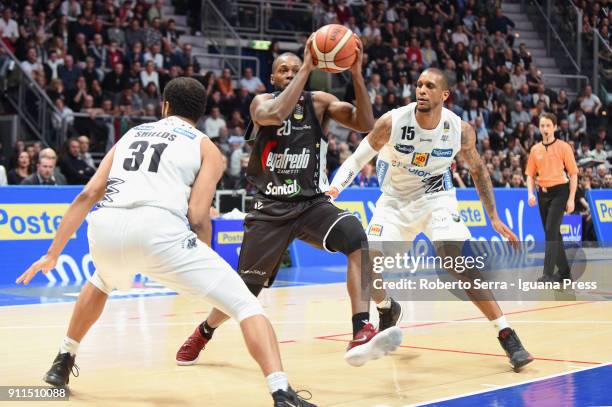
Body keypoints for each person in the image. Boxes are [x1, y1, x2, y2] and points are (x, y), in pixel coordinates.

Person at [16, 77, 315, 407]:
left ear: (165, 106)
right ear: (202, 114)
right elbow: (198, 215)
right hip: (159, 231)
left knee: (100, 280)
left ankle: (63, 359)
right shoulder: (206, 147)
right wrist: (203, 263)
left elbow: (88, 193)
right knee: (246, 305)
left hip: (105, 226)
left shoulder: (131, 134)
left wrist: (52, 253)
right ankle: (281, 391)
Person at [176, 36, 403, 368]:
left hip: (310, 204)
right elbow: (277, 113)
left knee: (358, 238)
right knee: (246, 290)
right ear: (273, 77)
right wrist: (309, 64)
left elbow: (367, 125)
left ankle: (360, 330)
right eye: (284, 70)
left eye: (296, 69)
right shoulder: (260, 103)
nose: (290, 73)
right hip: (269, 208)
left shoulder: (321, 101)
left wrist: (356, 73)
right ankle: (204, 331)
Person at [328, 68, 534, 371]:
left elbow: (477, 170)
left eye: (430, 86)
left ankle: (506, 333)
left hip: (436, 198)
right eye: (419, 85)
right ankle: (387, 308)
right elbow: (357, 159)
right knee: (367, 263)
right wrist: (332, 191)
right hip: (394, 202)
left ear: (444, 95)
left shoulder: (459, 130)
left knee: (457, 261)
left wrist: (493, 216)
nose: (422, 90)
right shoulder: (392, 122)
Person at [525, 112, 578, 282]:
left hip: (560, 192)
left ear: (555, 127)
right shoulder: (535, 149)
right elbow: (530, 175)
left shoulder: (564, 147)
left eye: (548, 125)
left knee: (550, 231)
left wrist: (571, 199)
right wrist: (530, 194)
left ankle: (547, 274)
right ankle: (564, 273)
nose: (545, 129)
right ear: (539, 128)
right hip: (542, 194)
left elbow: (574, 174)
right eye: (542, 126)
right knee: (554, 233)